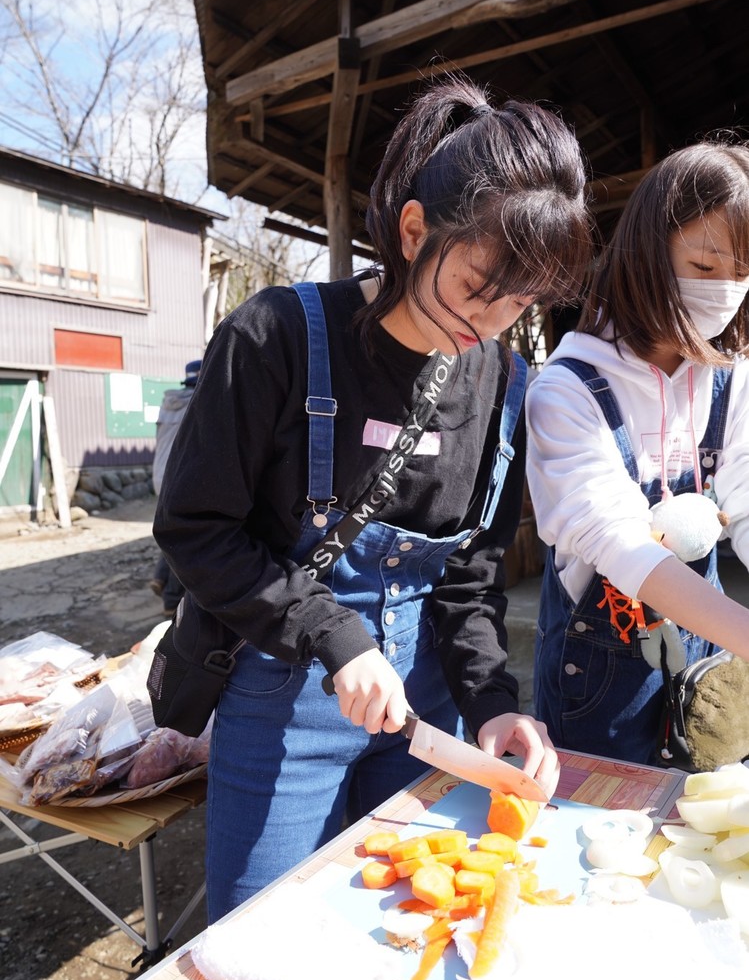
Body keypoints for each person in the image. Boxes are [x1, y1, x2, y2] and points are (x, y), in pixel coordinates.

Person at [153, 76, 593, 922]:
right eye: (478, 284)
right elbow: (196, 529)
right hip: (281, 699)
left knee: (407, 924)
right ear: (414, 230)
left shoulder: (503, 382)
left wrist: (493, 707)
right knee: (263, 935)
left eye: (522, 298)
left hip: (423, 707)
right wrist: (334, 635)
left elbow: (467, 578)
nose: (493, 319)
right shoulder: (276, 335)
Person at [526, 140, 749, 767]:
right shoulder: (567, 390)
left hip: (702, 654)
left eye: (742, 271)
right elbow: (623, 545)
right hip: (597, 680)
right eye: (706, 267)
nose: (726, 291)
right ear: (649, 252)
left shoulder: (730, 377)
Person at [150, 359, 202, 616]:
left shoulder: (169, 402)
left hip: (160, 476)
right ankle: (171, 600)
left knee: (172, 530)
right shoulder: (199, 401)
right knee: (187, 537)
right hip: (180, 478)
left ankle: (160, 577)